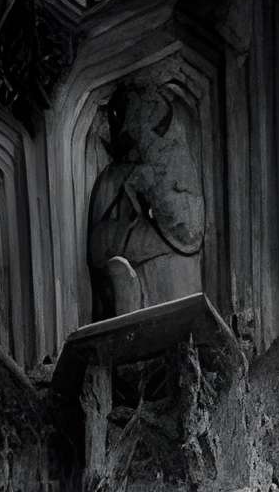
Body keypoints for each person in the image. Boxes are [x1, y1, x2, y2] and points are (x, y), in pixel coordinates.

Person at [86, 76, 204, 316]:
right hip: (139, 295)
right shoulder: (112, 178)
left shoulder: (175, 160)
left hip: (180, 293)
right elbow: (98, 249)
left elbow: (189, 231)